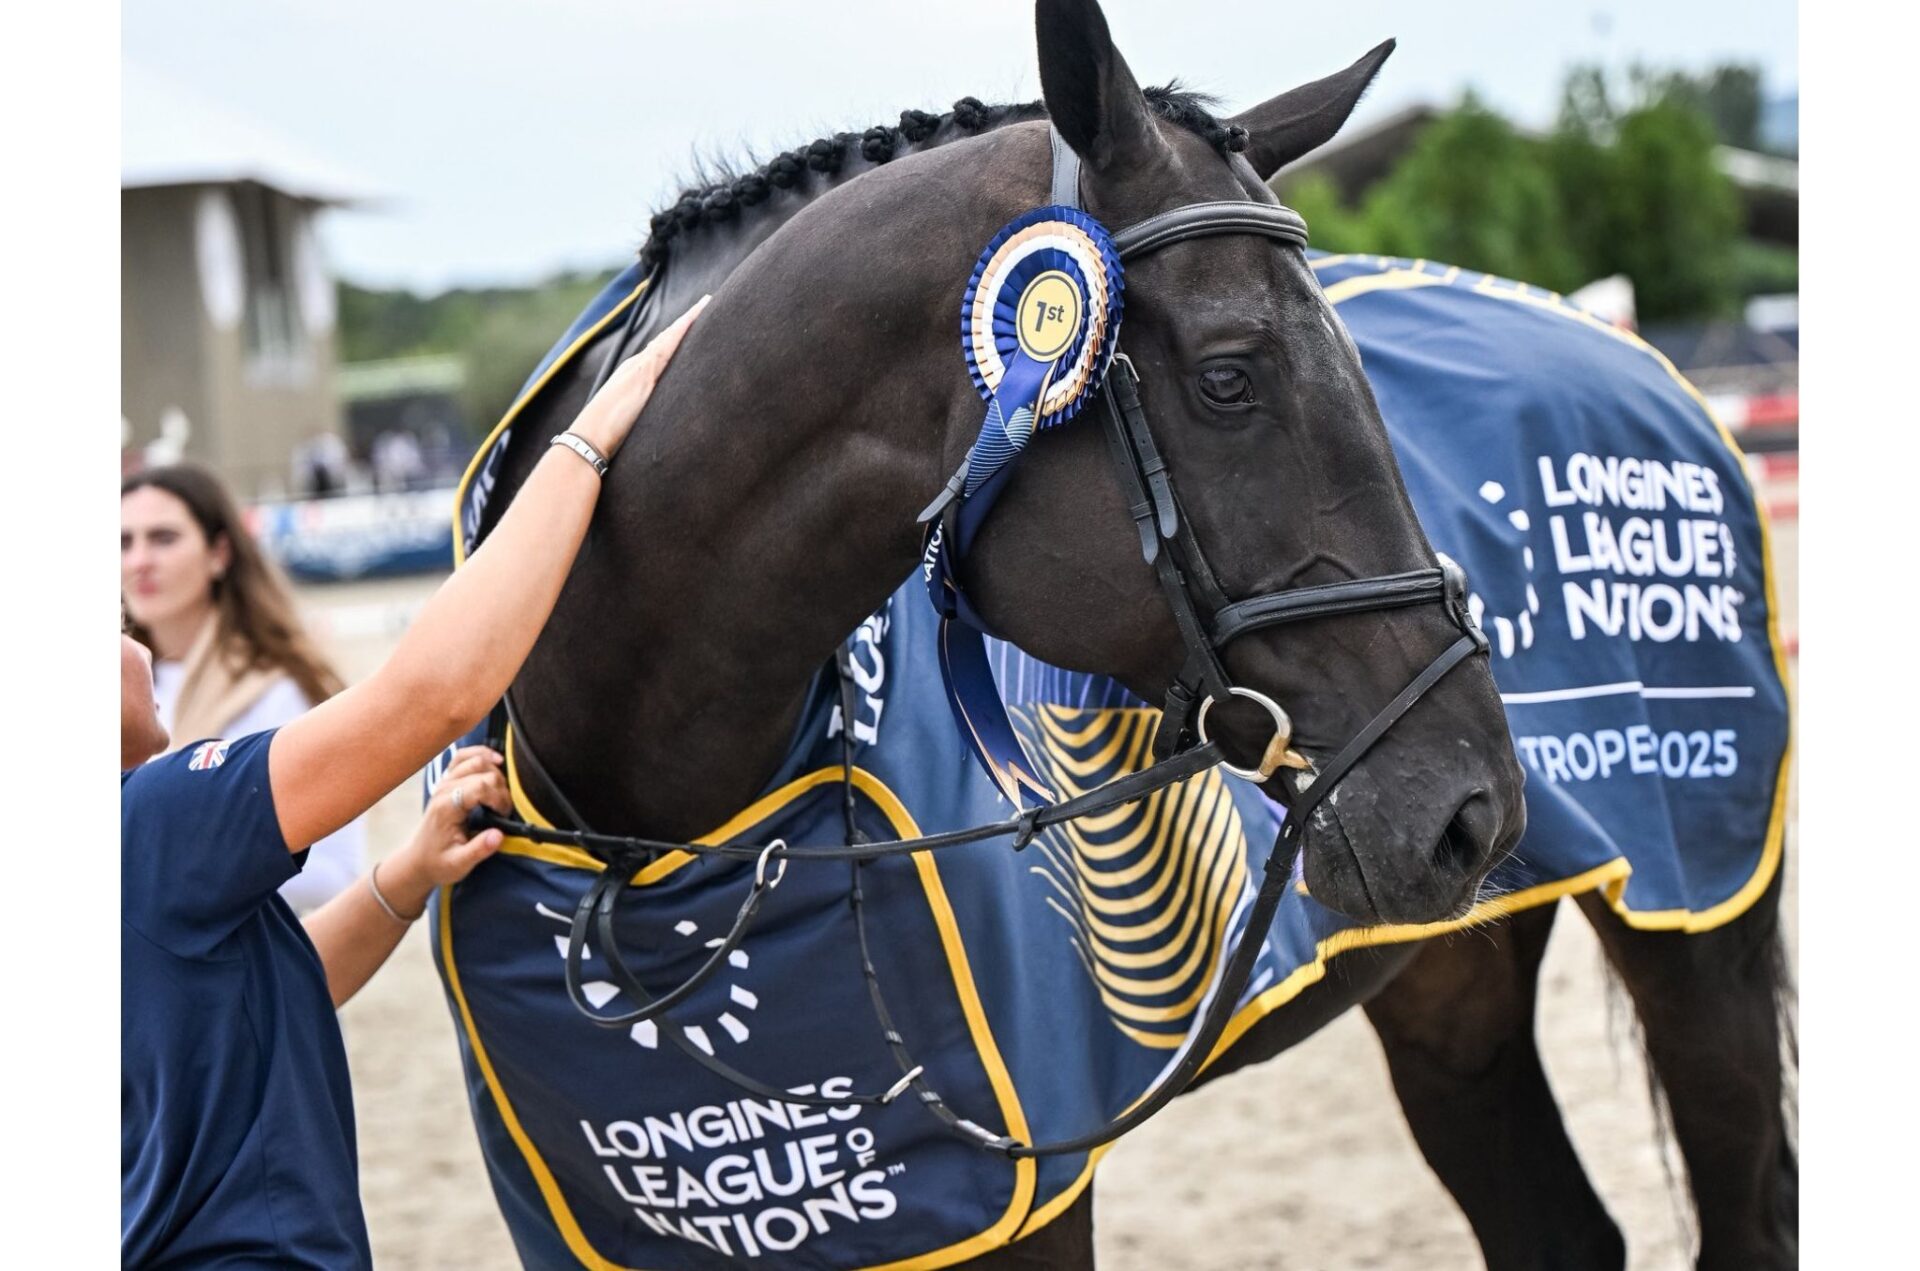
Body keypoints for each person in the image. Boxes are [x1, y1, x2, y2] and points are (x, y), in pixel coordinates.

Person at [121, 295, 709, 1269]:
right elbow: (431, 694)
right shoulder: (155, 814)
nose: (125, 628)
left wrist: (404, 873)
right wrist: (586, 441)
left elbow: (252, 999)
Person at [122, 463, 366, 912]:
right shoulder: (118, 685)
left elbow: (336, 874)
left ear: (219, 553)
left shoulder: (277, 688)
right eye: (123, 542)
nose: (139, 560)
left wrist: (182, 856)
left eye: (163, 538)